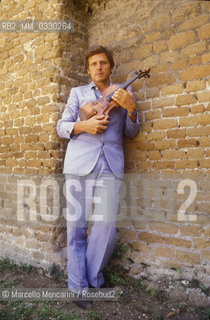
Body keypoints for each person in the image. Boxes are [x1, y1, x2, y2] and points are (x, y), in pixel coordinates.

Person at [56, 45, 140, 309]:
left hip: (110, 165)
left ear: (111, 67)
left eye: (104, 63)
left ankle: (93, 277)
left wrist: (131, 110)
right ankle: (77, 287)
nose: (99, 67)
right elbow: (62, 126)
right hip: (79, 164)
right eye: (94, 64)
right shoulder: (77, 93)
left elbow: (132, 131)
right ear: (88, 69)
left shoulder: (125, 92)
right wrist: (85, 125)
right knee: (77, 228)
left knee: (105, 227)